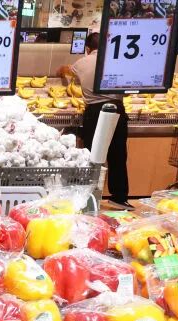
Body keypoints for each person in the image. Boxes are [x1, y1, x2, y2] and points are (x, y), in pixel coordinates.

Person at [70, 31, 130, 205]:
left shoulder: (82, 62)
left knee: (92, 155)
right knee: (118, 155)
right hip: (117, 109)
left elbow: (67, 71)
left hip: (95, 111)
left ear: (88, 49)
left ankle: (87, 197)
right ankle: (120, 197)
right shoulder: (116, 62)